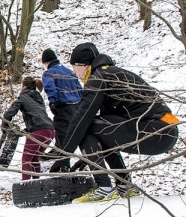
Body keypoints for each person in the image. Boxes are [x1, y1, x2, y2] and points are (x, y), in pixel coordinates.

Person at [52, 42, 180, 203]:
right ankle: (125, 185)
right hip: (169, 128)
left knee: (87, 126)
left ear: (83, 66)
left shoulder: (98, 78)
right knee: (101, 127)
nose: (73, 72)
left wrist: (64, 157)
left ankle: (104, 187)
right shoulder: (113, 74)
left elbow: (81, 119)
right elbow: (108, 133)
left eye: (73, 67)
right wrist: (86, 158)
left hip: (156, 129)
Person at [2, 77, 55, 180]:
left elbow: (9, 113)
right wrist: (28, 129)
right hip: (50, 130)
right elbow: (38, 115)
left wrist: (5, 126)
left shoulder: (23, 97)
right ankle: (37, 183)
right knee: (34, 158)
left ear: (24, 87)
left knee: (26, 159)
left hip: (38, 131)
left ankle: (25, 184)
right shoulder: (38, 98)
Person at [40, 48, 82, 146]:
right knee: (77, 130)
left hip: (64, 107)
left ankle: (60, 154)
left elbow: (51, 88)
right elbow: (79, 89)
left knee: (61, 130)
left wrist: (52, 102)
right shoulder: (70, 72)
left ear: (46, 62)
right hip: (77, 106)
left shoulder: (49, 73)